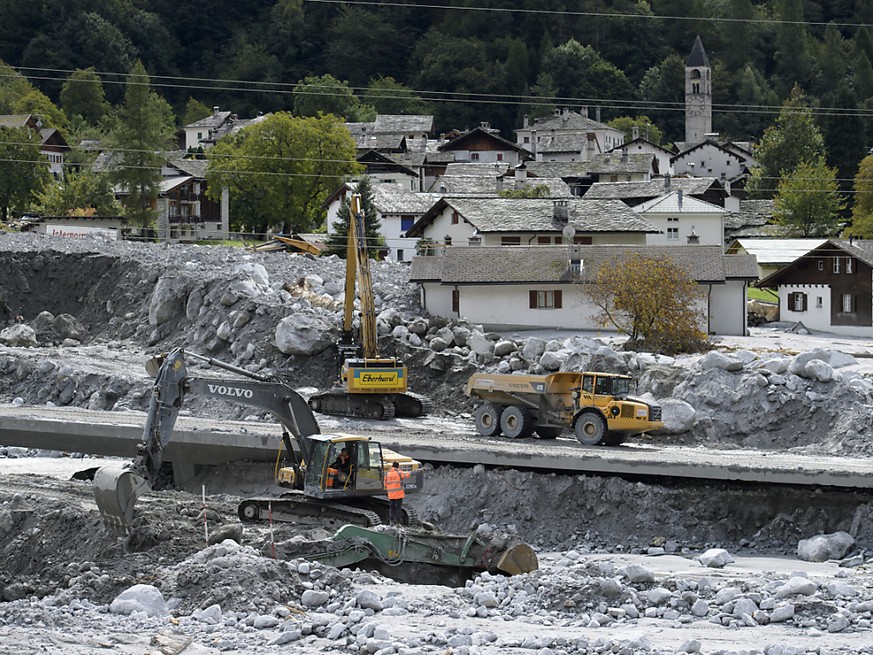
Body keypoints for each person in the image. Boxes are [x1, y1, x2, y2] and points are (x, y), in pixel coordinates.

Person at [385, 461, 411, 527]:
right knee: (398, 508)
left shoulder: (388, 474)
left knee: (392, 508)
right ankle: (398, 523)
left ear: (392, 466)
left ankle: (391, 521)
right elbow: (407, 475)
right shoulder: (399, 473)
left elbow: (385, 484)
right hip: (398, 494)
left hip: (391, 494)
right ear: (398, 466)